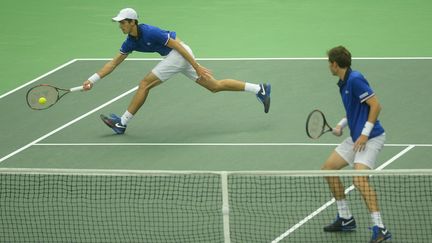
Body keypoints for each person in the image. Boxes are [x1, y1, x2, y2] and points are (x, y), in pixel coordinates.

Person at [81, 8, 271, 134]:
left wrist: (196, 66)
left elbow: (178, 46)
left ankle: (122, 123)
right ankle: (259, 89)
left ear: (133, 22)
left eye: (123, 22)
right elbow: (113, 64)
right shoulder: (130, 42)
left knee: (144, 84)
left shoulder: (150, 31)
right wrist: (92, 79)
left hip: (179, 54)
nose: (120, 25)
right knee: (214, 86)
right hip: (175, 57)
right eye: (119, 22)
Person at [321, 46, 391, 243]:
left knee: (359, 181)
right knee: (328, 169)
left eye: (329, 62)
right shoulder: (344, 82)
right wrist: (340, 125)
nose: (328, 66)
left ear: (335, 64)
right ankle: (345, 218)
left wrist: (364, 134)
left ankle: (381, 229)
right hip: (356, 137)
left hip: (371, 137)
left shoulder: (355, 79)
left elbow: (376, 105)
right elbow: (354, 109)